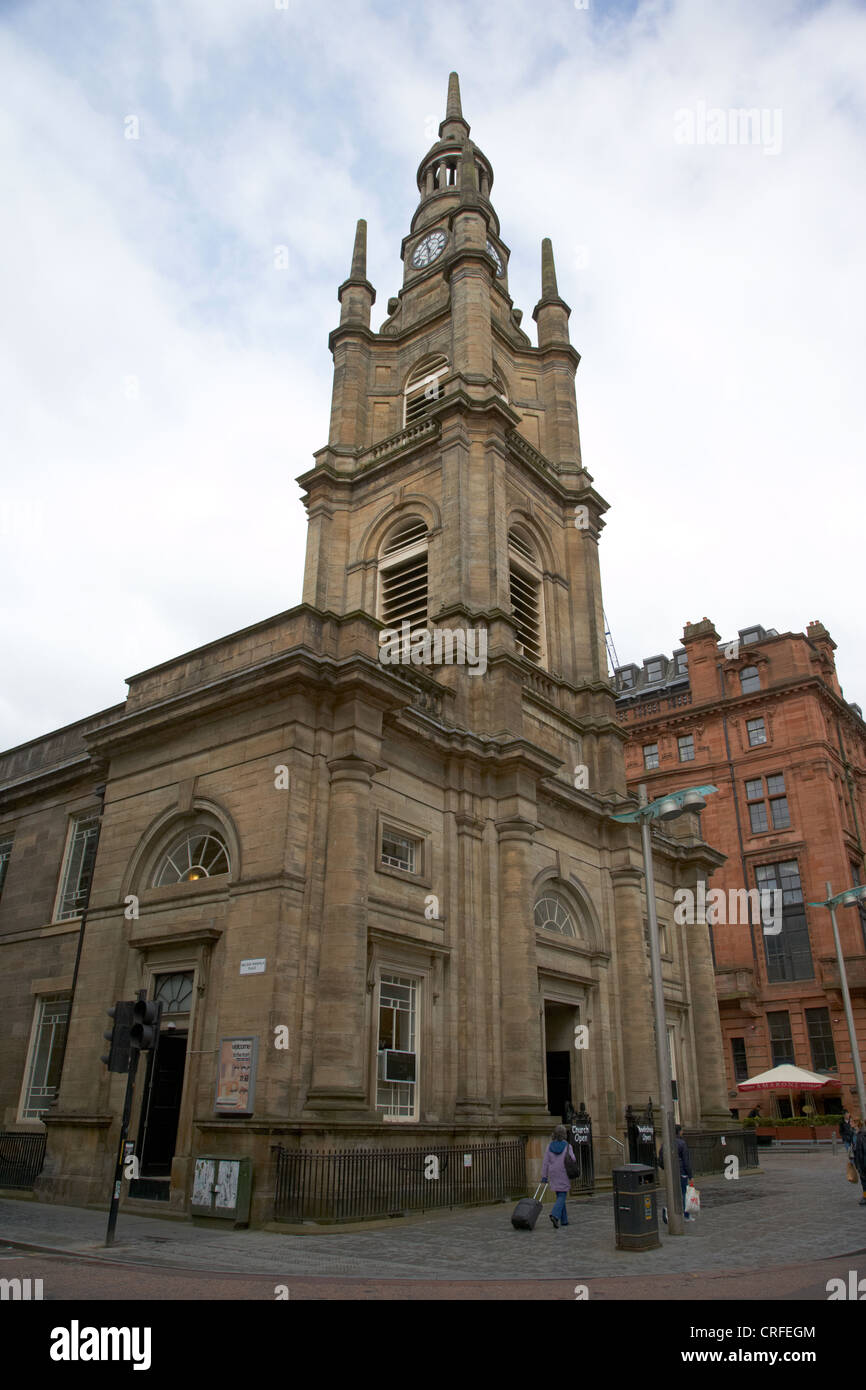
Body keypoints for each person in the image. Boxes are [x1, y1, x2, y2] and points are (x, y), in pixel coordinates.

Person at [541, 1124, 576, 1230]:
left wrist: (544, 1176)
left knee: (560, 1194)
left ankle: (564, 1220)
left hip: (553, 1173)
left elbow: (545, 1162)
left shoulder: (549, 1146)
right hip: (563, 1172)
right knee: (562, 1196)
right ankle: (555, 1215)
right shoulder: (567, 1146)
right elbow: (573, 1159)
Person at [658, 1123, 694, 1223]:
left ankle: (668, 1210)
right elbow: (686, 1161)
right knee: (683, 1193)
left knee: (672, 1192)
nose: (683, 1132)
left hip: (670, 1172)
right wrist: (690, 1175)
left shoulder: (665, 1143)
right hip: (681, 1171)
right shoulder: (682, 1143)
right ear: (678, 1132)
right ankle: (686, 1215)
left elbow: (660, 1158)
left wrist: (665, 1168)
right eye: (681, 1130)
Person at [853, 1121, 866, 1208]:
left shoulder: (860, 1136)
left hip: (863, 1163)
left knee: (864, 1182)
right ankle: (865, 1196)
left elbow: (860, 1152)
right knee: (864, 1182)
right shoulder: (860, 1135)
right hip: (862, 1163)